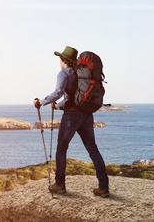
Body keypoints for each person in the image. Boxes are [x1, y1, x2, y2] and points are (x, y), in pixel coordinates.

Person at [34, 46, 109, 198]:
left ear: (63, 60)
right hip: (86, 114)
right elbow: (73, 96)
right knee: (92, 149)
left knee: (61, 148)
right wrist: (58, 105)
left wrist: (42, 102)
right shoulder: (81, 73)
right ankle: (103, 187)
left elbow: (59, 92)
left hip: (72, 116)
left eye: (60, 59)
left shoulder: (65, 72)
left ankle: (59, 184)